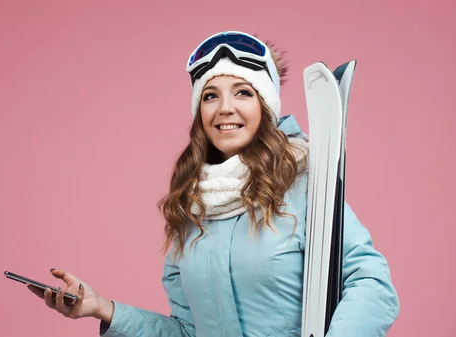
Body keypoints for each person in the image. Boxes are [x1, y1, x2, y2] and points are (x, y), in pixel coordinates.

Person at [26, 31, 400, 337]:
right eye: (210, 96)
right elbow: (189, 332)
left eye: (243, 92)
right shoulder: (190, 211)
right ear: (199, 112)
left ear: (265, 107)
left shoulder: (303, 188)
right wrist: (102, 308)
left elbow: (371, 283)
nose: (225, 108)